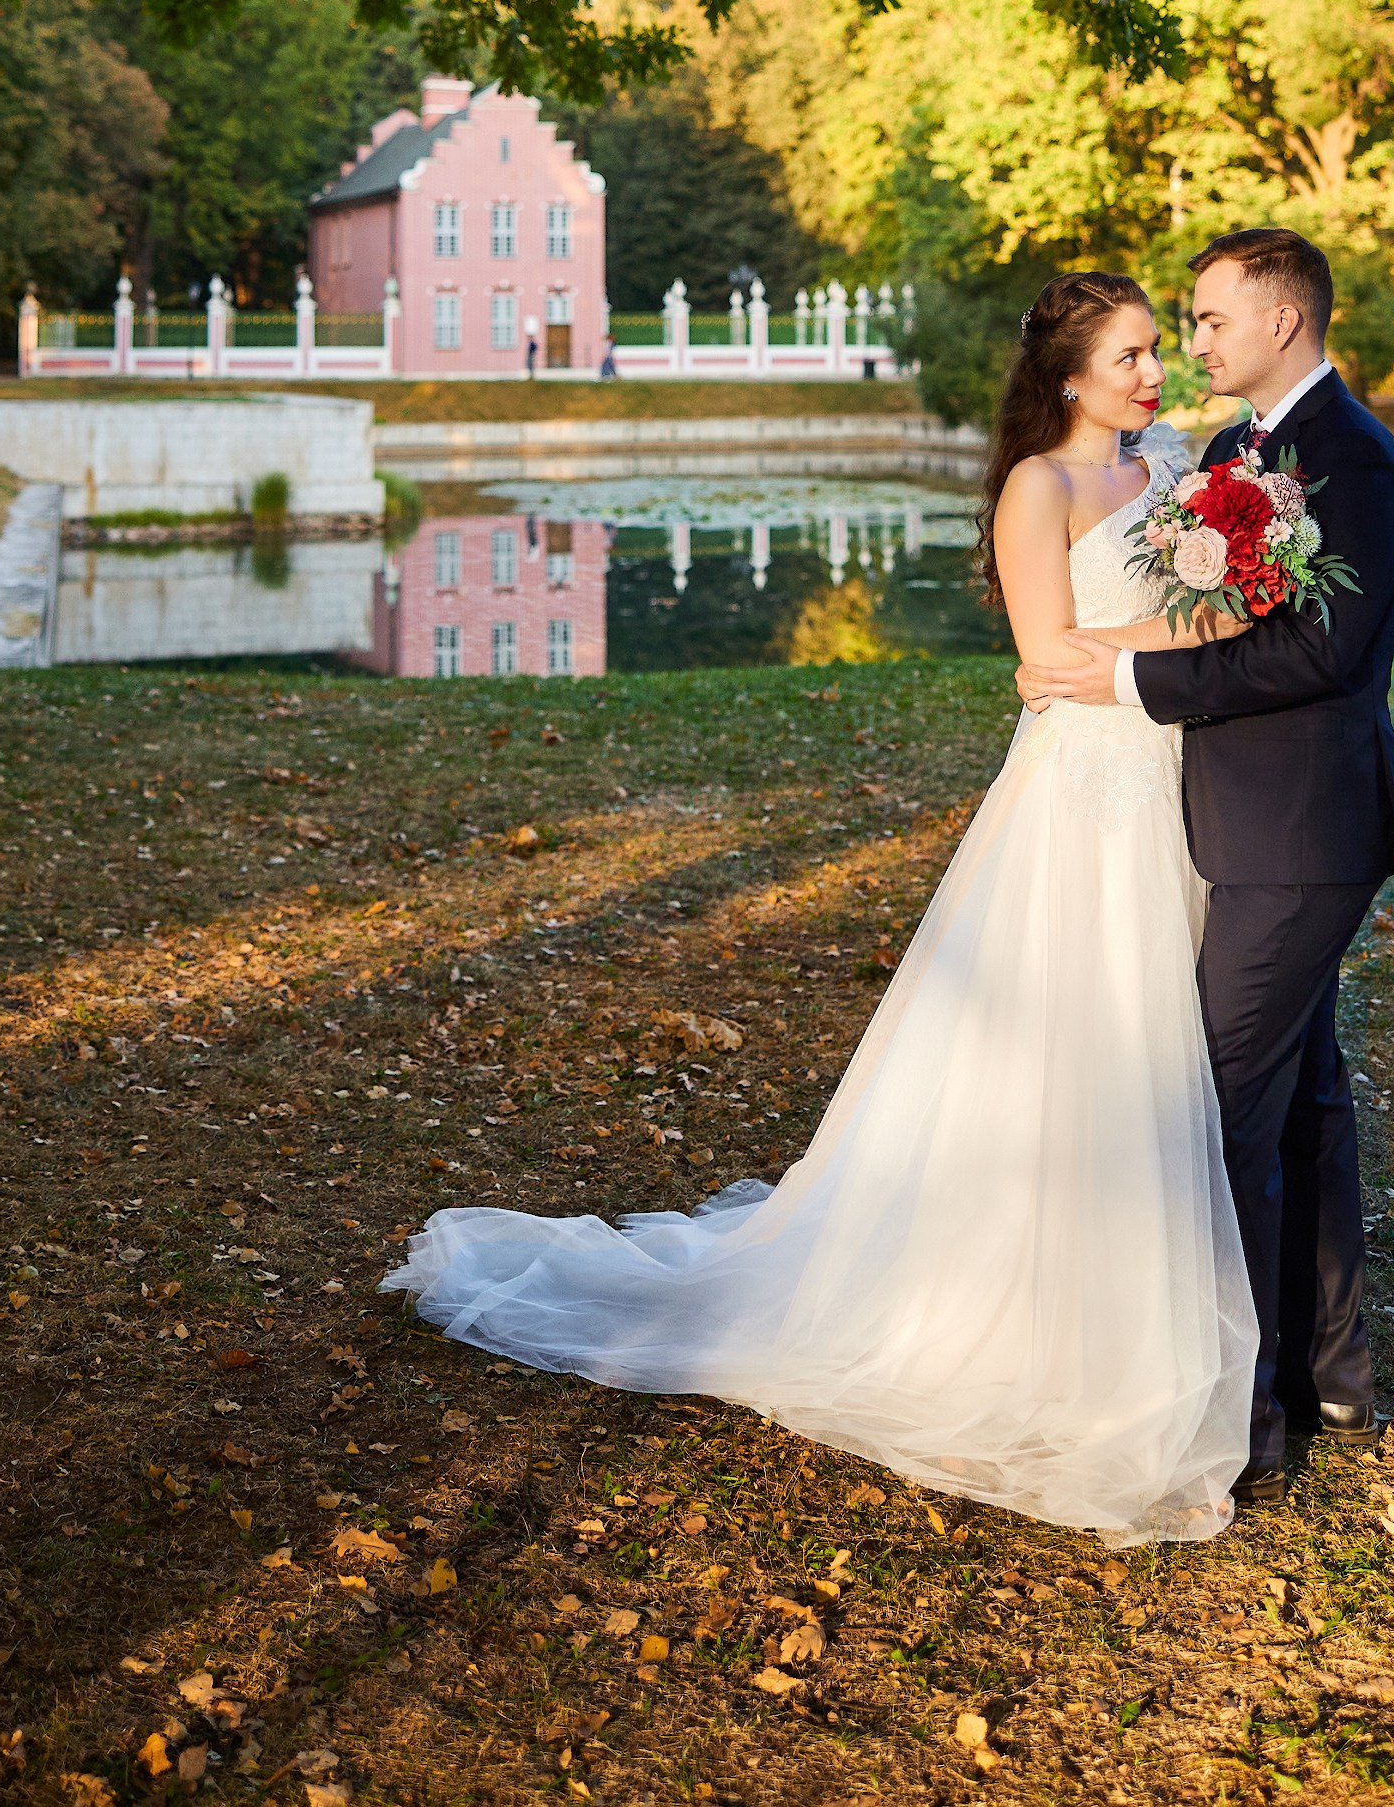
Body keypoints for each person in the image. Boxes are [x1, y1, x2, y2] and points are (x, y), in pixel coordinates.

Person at [382, 271, 1258, 1542]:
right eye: (1125, 356)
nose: (1149, 371)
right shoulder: (1041, 488)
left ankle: (1141, 1289)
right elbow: (1045, 659)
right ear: (1068, 377)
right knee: (1078, 1036)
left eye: (1151, 351)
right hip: (1086, 796)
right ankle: (1025, 1315)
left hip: (1173, 781)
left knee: (1159, 1044)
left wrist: (1213, 603)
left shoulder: (1173, 462)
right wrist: (1193, 633)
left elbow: (1205, 603)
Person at [1019, 229, 1394, 1506]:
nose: (1188, 345)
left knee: (1217, 1108)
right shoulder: (1231, 454)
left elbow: (1314, 654)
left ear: (1281, 319)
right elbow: (1209, 600)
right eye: (1166, 331)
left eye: (1202, 320)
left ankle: (1235, 1414)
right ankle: (1326, 1369)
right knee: (1302, 1097)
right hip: (1226, 826)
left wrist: (1126, 673)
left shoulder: (1349, 457)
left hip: (1298, 834)